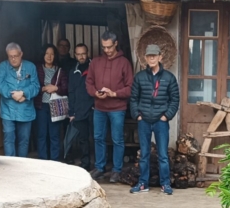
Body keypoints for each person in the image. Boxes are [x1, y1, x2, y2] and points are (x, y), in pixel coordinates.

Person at [129, 44, 179, 194]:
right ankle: (143, 183)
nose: (151, 58)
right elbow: (133, 99)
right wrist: (137, 115)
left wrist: (166, 116)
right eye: (149, 56)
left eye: (154, 56)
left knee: (163, 154)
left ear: (160, 57)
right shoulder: (139, 77)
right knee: (144, 154)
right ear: (145, 58)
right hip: (144, 120)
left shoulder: (169, 78)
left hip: (160, 121)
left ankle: (166, 184)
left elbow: (175, 99)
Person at [86, 31, 133, 181]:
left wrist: (114, 94)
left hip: (117, 108)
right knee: (98, 137)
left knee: (117, 139)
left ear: (116, 44)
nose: (106, 50)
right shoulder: (96, 62)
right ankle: (100, 167)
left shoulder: (124, 62)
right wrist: (95, 93)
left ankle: (116, 170)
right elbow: (89, 82)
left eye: (109, 47)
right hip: (99, 107)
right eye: (104, 47)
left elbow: (130, 87)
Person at [0, 43, 39, 157]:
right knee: (8, 138)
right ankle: (10, 167)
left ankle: (21, 167)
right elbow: (0, 85)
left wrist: (23, 93)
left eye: (16, 55)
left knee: (23, 141)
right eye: (10, 56)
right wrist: (13, 95)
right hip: (8, 110)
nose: (13, 59)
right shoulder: (2, 67)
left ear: (21, 54)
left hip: (25, 110)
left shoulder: (30, 67)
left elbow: (36, 86)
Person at [34, 44, 69, 161]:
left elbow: (65, 88)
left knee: (55, 135)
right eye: (47, 53)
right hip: (41, 106)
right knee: (41, 135)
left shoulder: (60, 70)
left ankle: (55, 161)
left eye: (52, 54)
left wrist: (56, 88)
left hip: (55, 106)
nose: (49, 56)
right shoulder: (37, 68)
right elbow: (32, 86)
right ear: (43, 54)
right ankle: (42, 160)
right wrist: (43, 88)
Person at [67, 44, 96, 171]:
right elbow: (71, 92)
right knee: (83, 139)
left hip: (94, 109)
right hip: (79, 110)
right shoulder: (73, 71)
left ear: (87, 53)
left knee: (97, 137)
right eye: (78, 54)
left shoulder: (94, 67)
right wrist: (71, 111)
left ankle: (100, 165)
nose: (81, 56)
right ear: (74, 55)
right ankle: (86, 164)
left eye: (83, 53)